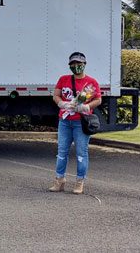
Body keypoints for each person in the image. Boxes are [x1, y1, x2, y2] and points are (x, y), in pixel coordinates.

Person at [49, 52, 101, 195]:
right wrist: (62, 104)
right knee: (61, 152)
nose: (76, 66)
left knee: (81, 153)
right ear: (70, 65)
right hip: (65, 121)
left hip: (80, 122)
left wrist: (86, 107)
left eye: (79, 64)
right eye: (73, 64)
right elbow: (56, 95)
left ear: (84, 64)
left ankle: (79, 182)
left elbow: (98, 99)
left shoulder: (91, 83)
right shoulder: (63, 79)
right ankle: (59, 180)